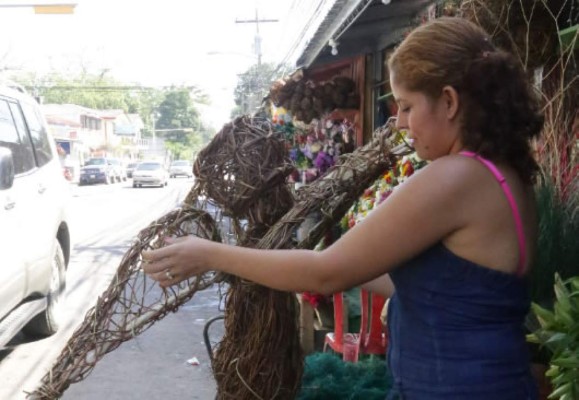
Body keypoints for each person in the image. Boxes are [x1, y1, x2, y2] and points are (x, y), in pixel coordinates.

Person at [142, 17, 543, 399]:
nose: (401, 123)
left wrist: (210, 254)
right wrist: (315, 258)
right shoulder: (502, 176)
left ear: (450, 101)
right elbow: (435, 287)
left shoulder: (455, 177)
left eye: (406, 106)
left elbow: (325, 275)